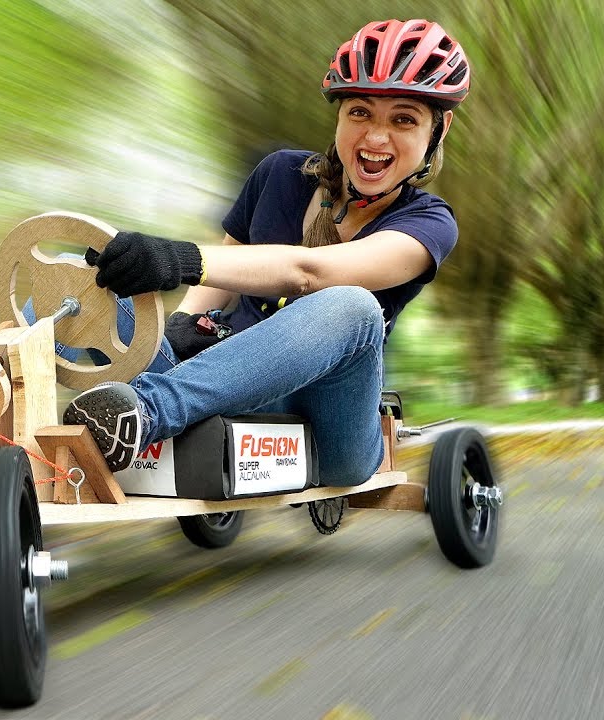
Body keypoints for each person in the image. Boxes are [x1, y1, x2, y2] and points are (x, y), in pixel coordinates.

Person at [61, 18, 470, 485]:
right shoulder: (279, 174)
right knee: (80, 282)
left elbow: (309, 272)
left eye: (403, 120)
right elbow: (221, 277)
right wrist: (180, 324)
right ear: (339, 116)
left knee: (354, 306)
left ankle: (145, 414)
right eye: (360, 112)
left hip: (330, 431)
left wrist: (177, 259)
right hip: (218, 386)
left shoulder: (430, 224)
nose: (376, 138)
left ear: (438, 129)